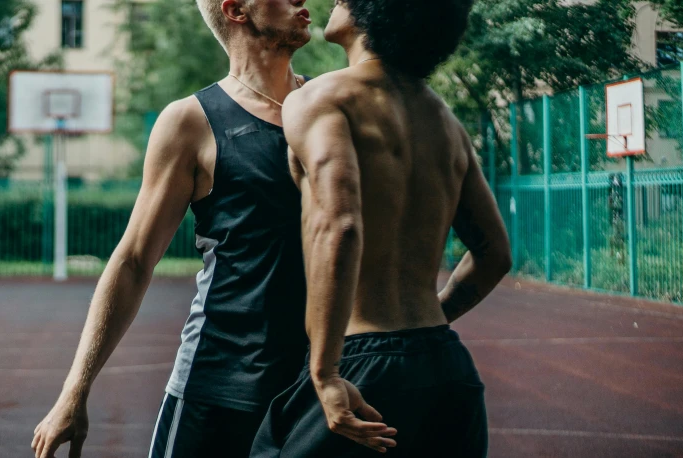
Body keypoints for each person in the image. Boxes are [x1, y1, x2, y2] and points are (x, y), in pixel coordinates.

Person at [30, 1, 318, 457]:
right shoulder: (192, 121)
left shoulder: (333, 107)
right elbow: (133, 260)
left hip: (317, 391)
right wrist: (75, 389)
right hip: (217, 386)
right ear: (236, 9)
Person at [251, 0, 511, 456]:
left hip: (360, 366)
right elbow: (494, 254)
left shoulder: (321, 98)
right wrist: (426, 327)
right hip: (445, 364)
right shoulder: (446, 123)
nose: (334, 2)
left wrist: (327, 372)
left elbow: (341, 226)